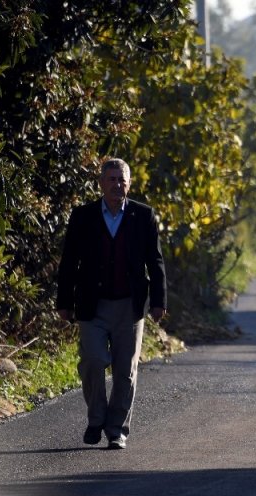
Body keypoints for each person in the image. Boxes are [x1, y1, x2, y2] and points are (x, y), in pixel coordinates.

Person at [56, 158, 166, 450]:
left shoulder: (143, 216)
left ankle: (116, 430)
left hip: (129, 306)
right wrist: (64, 301)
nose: (118, 185)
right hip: (92, 304)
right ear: (101, 183)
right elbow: (69, 262)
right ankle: (96, 419)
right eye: (112, 179)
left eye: (123, 180)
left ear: (130, 184)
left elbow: (154, 261)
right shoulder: (83, 216)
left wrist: (158, 301)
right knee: (92, 360)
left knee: (125, 371)